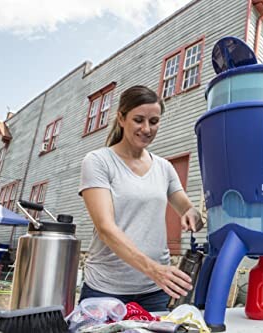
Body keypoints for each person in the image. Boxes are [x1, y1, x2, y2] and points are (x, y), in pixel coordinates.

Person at [79, 85, 204, 312]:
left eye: (154, 122)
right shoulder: (98, 161)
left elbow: (185, 206)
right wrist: (154, 270)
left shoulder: (164, 168)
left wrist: (192, 214)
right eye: (138, 120)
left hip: (155, 291)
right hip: (106, 289)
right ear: (121, 118)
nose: (147, 129)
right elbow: (106, 228)